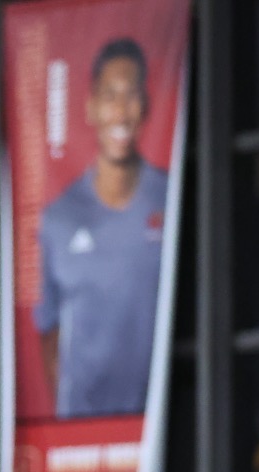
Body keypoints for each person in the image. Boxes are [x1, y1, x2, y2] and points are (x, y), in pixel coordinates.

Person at [34, 37, 169, 420]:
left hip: (159, 428)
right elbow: (48, 332)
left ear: (145, 105)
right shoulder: (59, 218)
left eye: (131, 95)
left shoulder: (170, 199)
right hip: (85, 434)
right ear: (91, 107)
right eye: (110, 96)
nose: (121, 112)